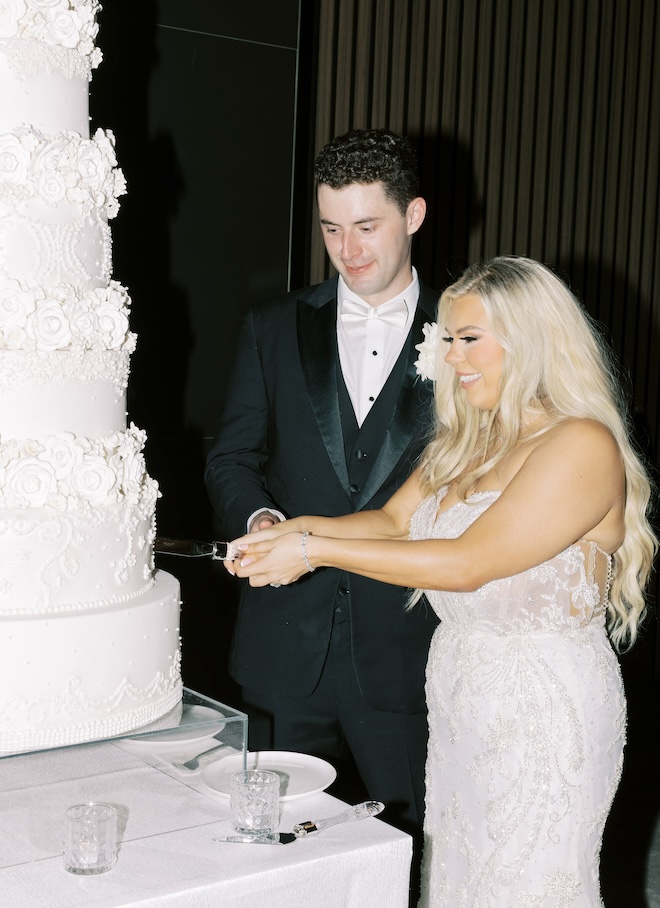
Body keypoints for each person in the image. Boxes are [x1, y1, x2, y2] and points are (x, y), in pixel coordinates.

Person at [226, 256, 657, 906]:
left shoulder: (581, 444)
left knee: (527, 883)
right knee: (457, 874)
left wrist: (314, 552)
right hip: (463, 701)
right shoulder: (469, 439)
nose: (451, 359)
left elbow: (467, 561)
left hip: (540, 710)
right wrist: (285, 533)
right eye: (447, 339)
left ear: (530, 340)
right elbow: (395, 521)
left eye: (468, 340)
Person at [204, 129, 440, 851]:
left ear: (414, 216)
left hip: (409, 648)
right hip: (284, 649)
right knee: (277, 850)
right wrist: (263, 516)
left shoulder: (471, 331)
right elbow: (231, 457)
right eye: (332, 229)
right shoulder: (273, 326)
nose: (349, 250)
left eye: (368, 227)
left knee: (404, 850)